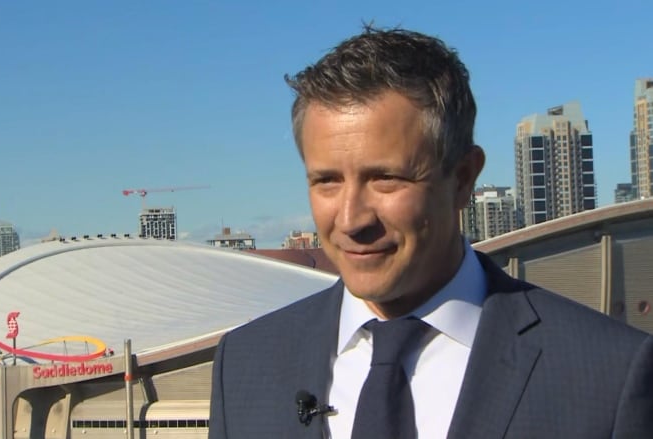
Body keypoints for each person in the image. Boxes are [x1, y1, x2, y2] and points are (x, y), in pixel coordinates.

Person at [209, 26, 653, 439]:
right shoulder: (245, 367)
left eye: (385, 178)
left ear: (462, 178)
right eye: (326, 181)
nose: (350, 220)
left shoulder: (608, 377)